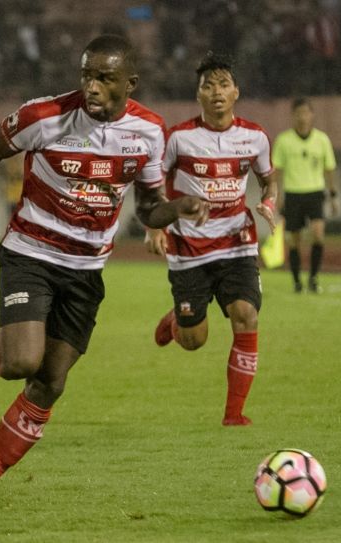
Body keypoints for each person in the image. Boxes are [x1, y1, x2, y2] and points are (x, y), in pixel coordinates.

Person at [0, 35, 209, 509]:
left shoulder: (148, 132)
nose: (93, 87)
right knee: (20, 362)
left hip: (85, 271)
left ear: (130, 83)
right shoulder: (45, 116)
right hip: (32, 254)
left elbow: (148, 210)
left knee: (50, 382)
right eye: (87, 75)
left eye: (105, 78)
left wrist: (179, 206)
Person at [145, 52, 277, 427]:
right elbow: (152, 184)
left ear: (236, 91)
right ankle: (179, 319)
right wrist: (155, 225)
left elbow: (269, 178)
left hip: (237, 243)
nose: (216, 92)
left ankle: (234, 414)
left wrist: (268, 200)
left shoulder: (254, 137)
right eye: (208, 86)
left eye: (223, 84)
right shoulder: (179, 139)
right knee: (193, 340)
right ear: (198, 94)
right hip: (189, 249)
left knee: (246, 315)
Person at [272, 97, 338, 293]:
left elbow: (329, 168)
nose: (303, 117)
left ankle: (314, 278)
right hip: (293, 194)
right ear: (293, 116)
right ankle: (296, 281)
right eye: (299, 113)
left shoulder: (322, 139)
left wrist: (333, 195)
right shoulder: (284, 141)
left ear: (312, 115)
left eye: (306, 113)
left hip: (315, 192)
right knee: (294, 239)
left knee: (318, 234)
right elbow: (278, 170)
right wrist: (277, 196)